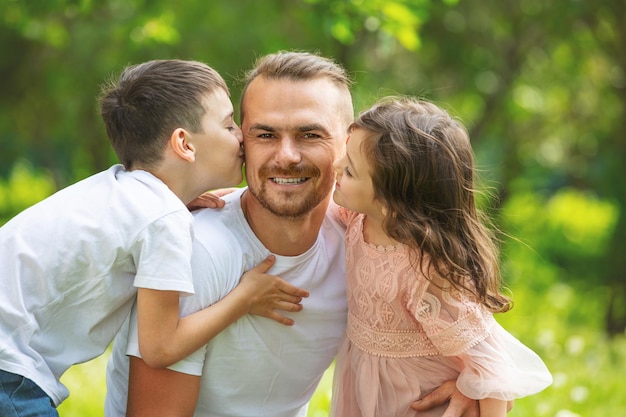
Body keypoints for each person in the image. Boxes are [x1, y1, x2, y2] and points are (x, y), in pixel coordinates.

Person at [104, 52, 485, 417]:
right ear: (242, 143)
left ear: (347, 146)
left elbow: (472, 328)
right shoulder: (197, 251)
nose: (286, 156)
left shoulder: (364, 239)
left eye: (309, 135)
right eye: (265, 135)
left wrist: (475, 385)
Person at [0, 59, 306, 416]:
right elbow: (160, 348)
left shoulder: (123, 192)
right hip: (10, 371)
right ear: (184, 144)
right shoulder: (163, 219)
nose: (242, 135)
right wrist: (244, 298)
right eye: (228, 125)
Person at [329, 96, 552, 417]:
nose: (335, 166)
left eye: (349, 170)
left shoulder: (428, 271)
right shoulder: (357, 217)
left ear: (390, 202)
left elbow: (491, 367)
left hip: (422, 400)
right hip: (365, 390)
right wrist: (238, 198)